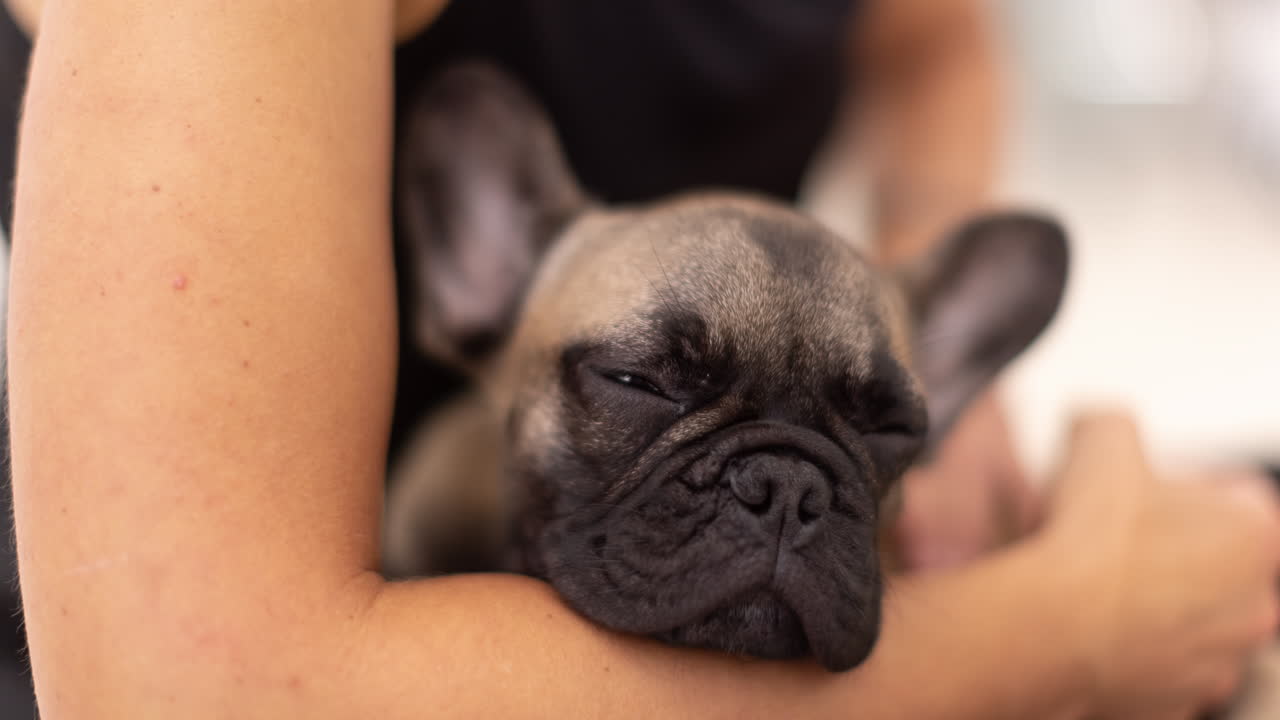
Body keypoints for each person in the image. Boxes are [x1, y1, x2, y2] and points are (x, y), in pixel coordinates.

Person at [3, 1, 1276, 718]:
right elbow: (184, 697)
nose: (776, 497)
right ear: (475, 280)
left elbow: (928, 37)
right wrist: (1070, 623)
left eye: (879, 424)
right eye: (641, 386)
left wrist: (921, 302)